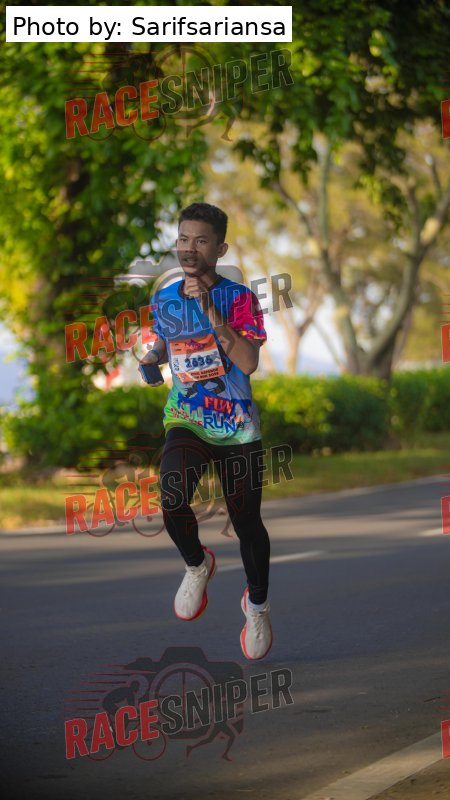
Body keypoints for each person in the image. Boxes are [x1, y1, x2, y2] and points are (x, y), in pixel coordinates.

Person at [139, 202, 272, 660]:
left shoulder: (241, 299)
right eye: (183, 239)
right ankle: (198, 565)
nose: (189, 248)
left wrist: (209, 307)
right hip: (187, 417)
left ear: (220, 249)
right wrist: (152, 358)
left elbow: (248, 362)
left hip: (237, 427)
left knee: (246, 521)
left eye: (200, 240)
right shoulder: (165, 297)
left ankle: (257, 606)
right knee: (172, 494)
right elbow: (166, 339)